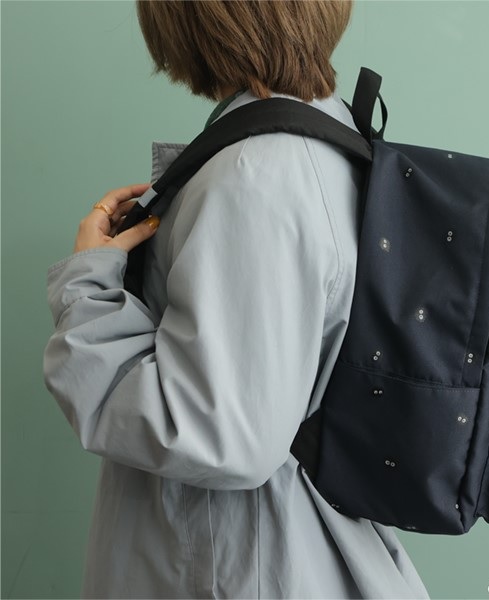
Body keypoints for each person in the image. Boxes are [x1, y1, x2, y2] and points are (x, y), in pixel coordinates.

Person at [43, 1, 429, 598]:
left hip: (240, 566)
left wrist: (87, 287)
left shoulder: (255, 173)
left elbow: (217, 433)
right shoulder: (324, 129)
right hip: (287, 549)